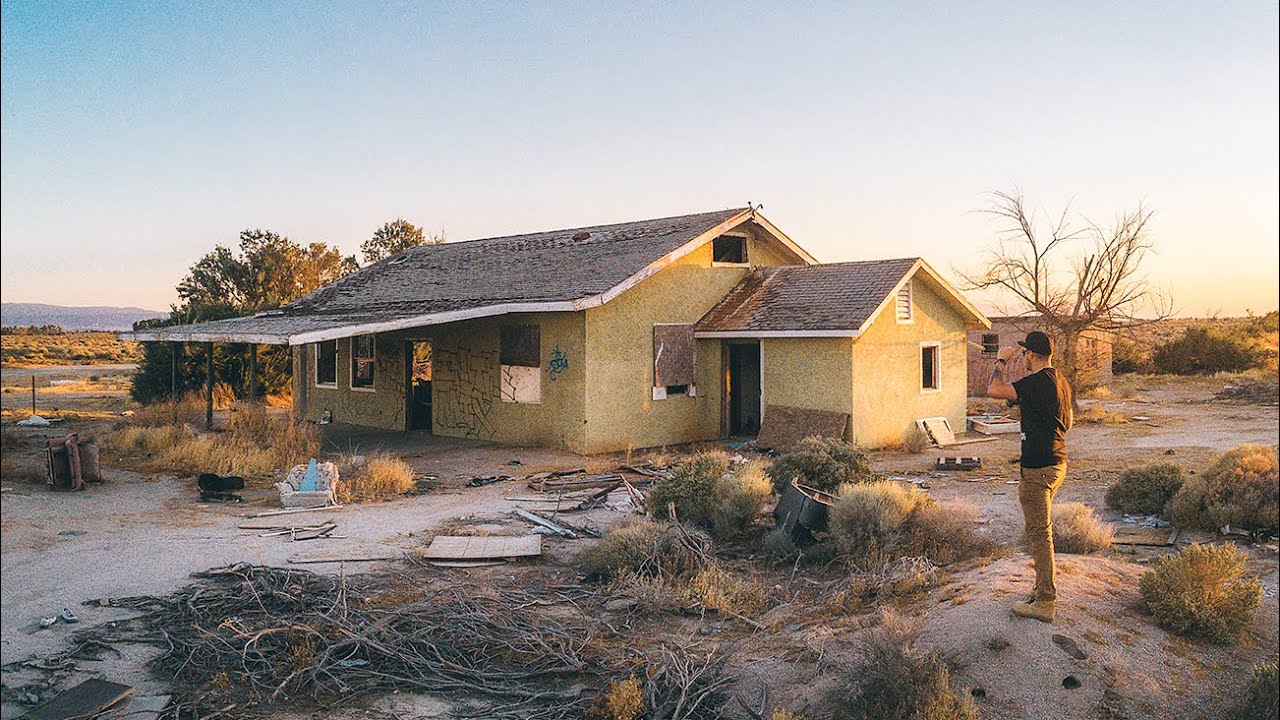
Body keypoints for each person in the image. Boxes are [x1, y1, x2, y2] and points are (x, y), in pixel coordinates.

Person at [986, 330, 1073, 622]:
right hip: (1057, 463)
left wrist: (1001, 360)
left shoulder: (1037, 381)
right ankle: (1041, 589)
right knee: (1041, 531)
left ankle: (1046, 601)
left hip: (1038, 469)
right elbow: (1068, 423)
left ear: (1033, 355)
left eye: (1024, 353)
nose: (1022, 357)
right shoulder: (1060, 381)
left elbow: (994, 390)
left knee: (1039, 534)